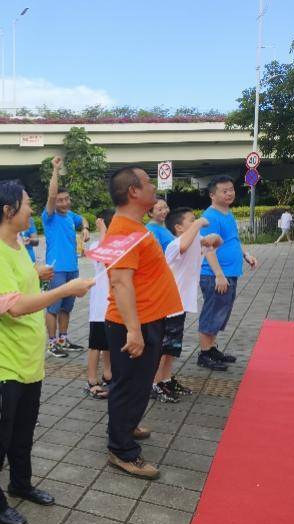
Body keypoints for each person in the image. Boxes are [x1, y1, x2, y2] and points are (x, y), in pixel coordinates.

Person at [0, 181, 93, 524]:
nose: (32, 210)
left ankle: (20, 484)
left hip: (28, 359)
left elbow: (17, 288)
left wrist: (37, 275)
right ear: (9, 211)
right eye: (27, 204)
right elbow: (15, 307)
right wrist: (65, 288)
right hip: (2, 363)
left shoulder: (17, 247)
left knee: (23, 431)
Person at [104, 166, 183, 480]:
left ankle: (126, 425)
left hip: (148, 317)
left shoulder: (133, 226)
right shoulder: (123, 230)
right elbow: (121, 283)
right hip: (133, 323)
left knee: (136, 383)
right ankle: (121, 451)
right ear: (133, 192)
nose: (154, 188)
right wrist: (134, 330)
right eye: (149, 183)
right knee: (130, 386)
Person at [152, 208, 222, 402]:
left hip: (180, 304)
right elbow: (183, 246)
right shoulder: (175, 245)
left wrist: (214, 236)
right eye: (192, 221)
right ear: (179, 228)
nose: (197, 222)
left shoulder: (197, 243)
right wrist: (200, 223)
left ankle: (165, 379)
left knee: (172, 347)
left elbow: (217, 243)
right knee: (163, 347)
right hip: (167, 303)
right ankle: (154, 383)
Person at [197, 176, 258, 370]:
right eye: (224, 191)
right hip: (215, 275)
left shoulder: (227, 213)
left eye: (231, 189)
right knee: (212, 312)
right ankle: (204, 354)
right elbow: (208, 249)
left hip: (228, 273)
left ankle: (212, 348)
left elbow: (233, 240)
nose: (230, 193)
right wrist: (219, 275)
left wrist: (246, 255)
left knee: (221, 313)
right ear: (212, 194)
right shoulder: (210, 217)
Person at [42, 156, 90, 358]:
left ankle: (63, 339)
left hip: (72, 268)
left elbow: (83, 219)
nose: (63, 202)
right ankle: (52, 343)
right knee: (53, 307)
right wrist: (55, 170)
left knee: (67, 307)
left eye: (66, 199)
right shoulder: (49, 216)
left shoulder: (71, 216)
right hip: (56, 268)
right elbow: (51, 196)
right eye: (60, 200)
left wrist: (86, 228)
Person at [85, 209, 115, 399]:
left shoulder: (118, 245)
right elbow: (103, 255)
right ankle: (91, 379)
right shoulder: (98, 244)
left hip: (113, 305)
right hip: (99, 307)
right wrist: (102, 228)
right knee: (96, 344)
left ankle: (108, 373)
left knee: (109, 344)